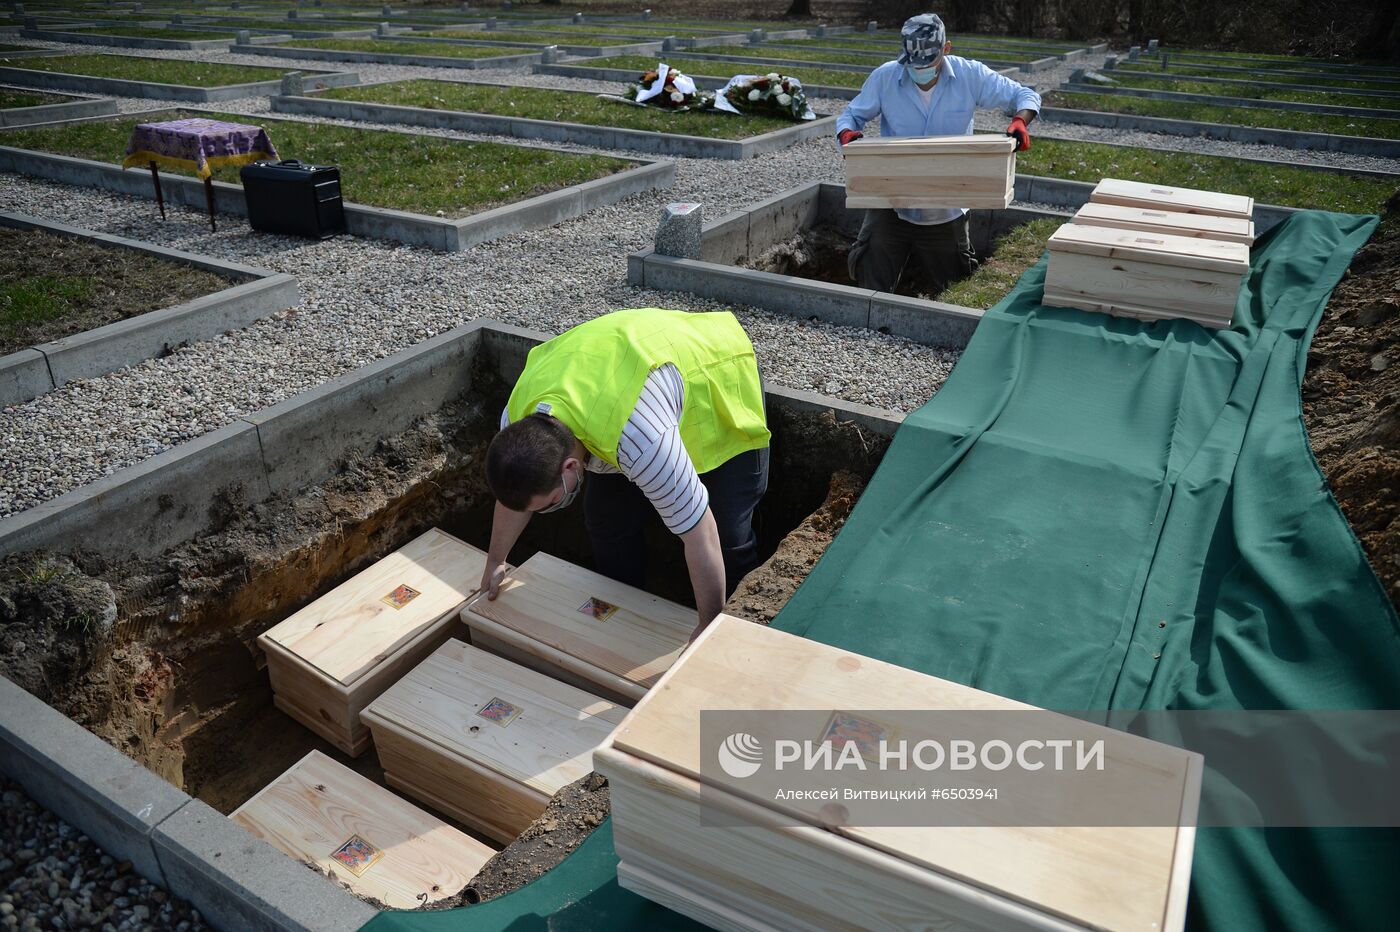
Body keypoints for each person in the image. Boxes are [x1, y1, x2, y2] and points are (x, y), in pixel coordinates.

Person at [479, 308, 771, 641]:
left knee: (728, 535)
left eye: (552, 502)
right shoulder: (517, 424)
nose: (547, 511)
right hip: (628, 376)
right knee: (607, 520)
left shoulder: (641, 440)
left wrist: (708, 626)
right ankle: (622, 618)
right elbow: (515, 500)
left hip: (717, 378)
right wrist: (495, 561)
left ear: (571, 466)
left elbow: (700, 533)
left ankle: (740, 634)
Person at [835, 13, 1042, 296]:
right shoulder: (886, 77)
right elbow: (851, 116)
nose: (919, 70)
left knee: (955, 285)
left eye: (928, 63)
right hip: (892, 202)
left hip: (947, 208)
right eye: (913, 64)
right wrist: (847, 135)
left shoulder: (970, 75)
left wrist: (1021, 120)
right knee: (871, 270)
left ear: (946, 49)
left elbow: (1026, 95)